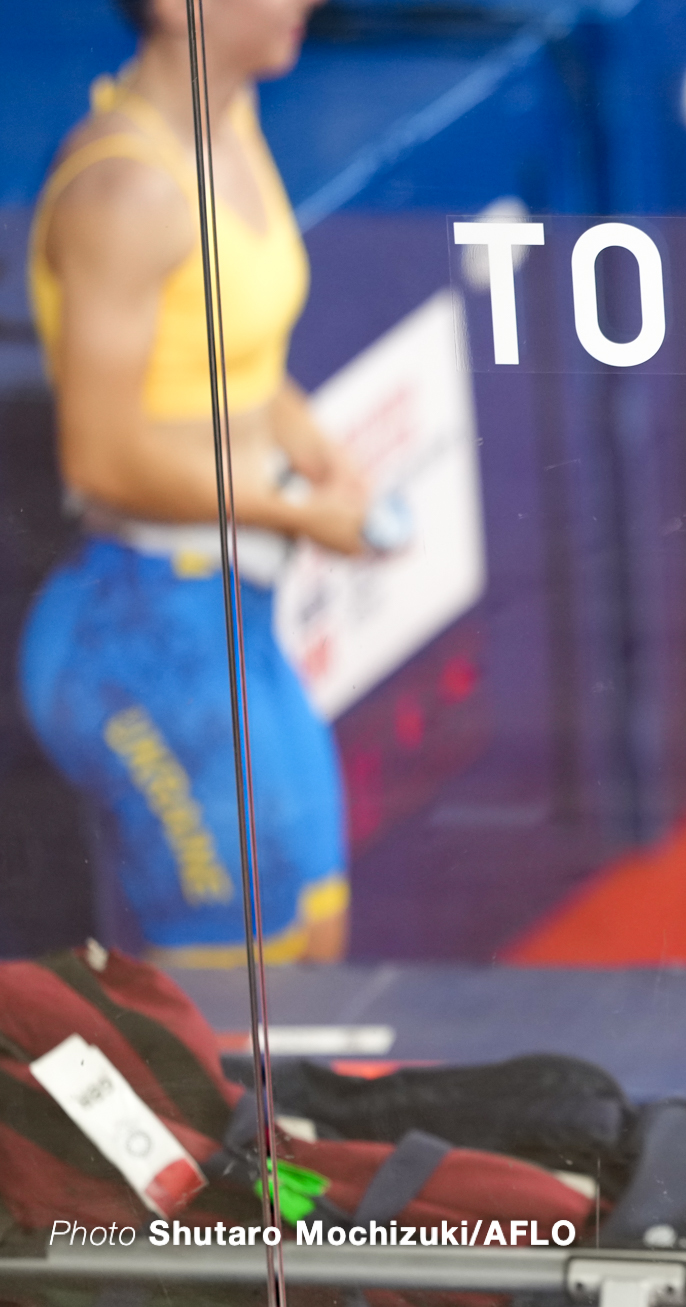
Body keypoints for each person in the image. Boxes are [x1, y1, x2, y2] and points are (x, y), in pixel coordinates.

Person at [20, 0, 368, 965]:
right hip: (138, 639)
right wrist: (293, 509)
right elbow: (100, 455)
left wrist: (314, 449)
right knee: (237, 1000)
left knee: (316, 934)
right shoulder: (126, 193)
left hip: (229, 615)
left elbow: (239, 354)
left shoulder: (232, 123)